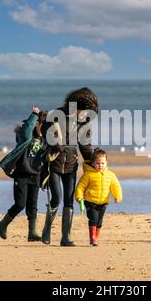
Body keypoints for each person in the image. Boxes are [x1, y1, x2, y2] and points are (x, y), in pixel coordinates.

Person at [40, 87, 99, 246]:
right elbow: (45, 133)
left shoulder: (84, 123)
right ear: (75, 105)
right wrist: (55, 143)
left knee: (69, 200)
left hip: (71, 164)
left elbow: (85, 147)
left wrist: (93, 163)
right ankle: (46, 230)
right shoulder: (55, 116)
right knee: (56, 198)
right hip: (54, 163)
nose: (86, 115)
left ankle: (65, 237)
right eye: (84, 111)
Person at [0, 107, 48, 241]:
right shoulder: (26, 137)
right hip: (21, 174)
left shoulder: (45, 140)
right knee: (20, 204)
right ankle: (3, 223)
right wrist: (34, 115)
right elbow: (25, 130)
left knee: (33, 205)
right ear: (36, 124)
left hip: (35, 175)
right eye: (42, 126)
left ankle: (32, 233)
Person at [75, 148, 122, 246]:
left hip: (103, 202)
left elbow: (115, 186)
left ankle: (96, 237)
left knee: (99, 222)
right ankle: (92, 238)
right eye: (97, 163)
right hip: (90, 201)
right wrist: (79, 197)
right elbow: (80, 186)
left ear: (106, 163)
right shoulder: (88, 174)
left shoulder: (110, 175)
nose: (100, 165)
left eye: (102, 163)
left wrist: (117, 196)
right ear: (93, 163)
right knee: (93, 219)